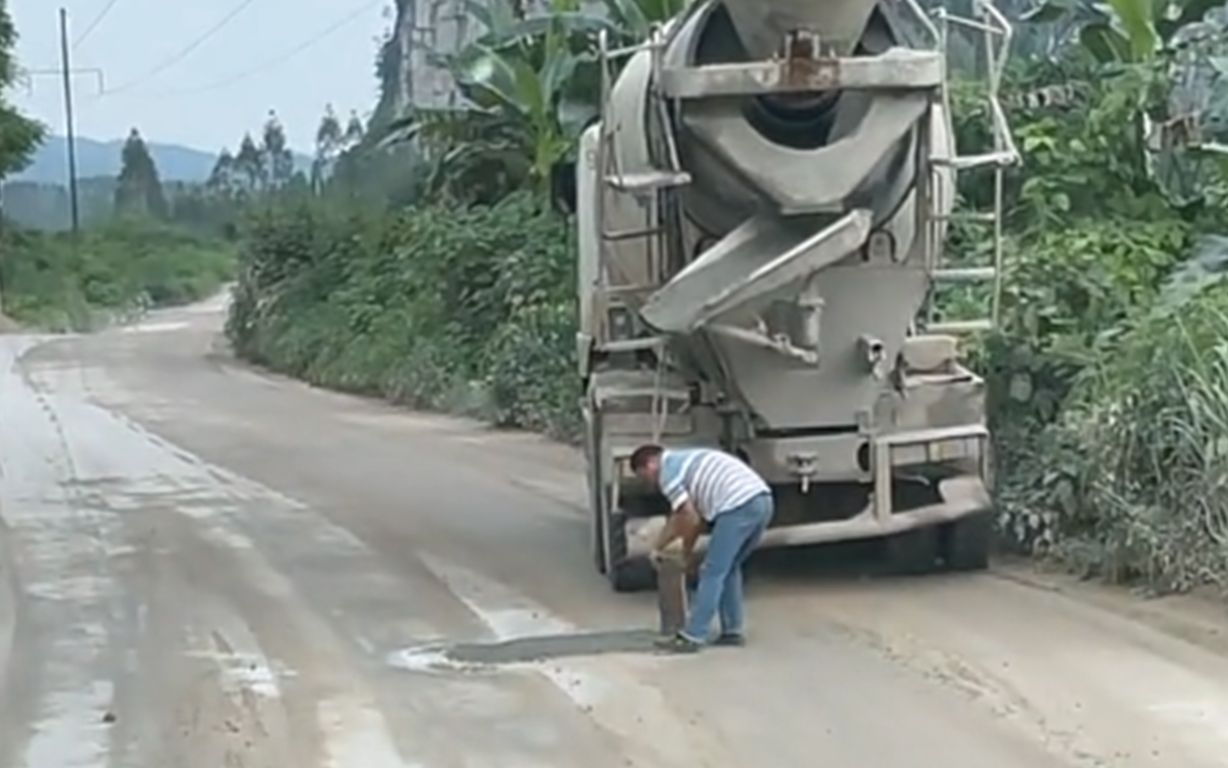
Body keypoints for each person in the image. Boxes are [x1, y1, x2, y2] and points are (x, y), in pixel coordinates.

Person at [630, 444, 775, 653]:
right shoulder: (686, 460)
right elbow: (694, 521)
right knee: (729, 567)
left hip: (737, 505)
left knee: (711, 571)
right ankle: (732, 631)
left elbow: (686, 516)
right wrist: (685, 552)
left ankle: (693, 635)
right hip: (762, 501)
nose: (649, 483)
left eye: (645, 476)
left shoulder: (668, 472)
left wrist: (658, 546)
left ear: (651, 463)